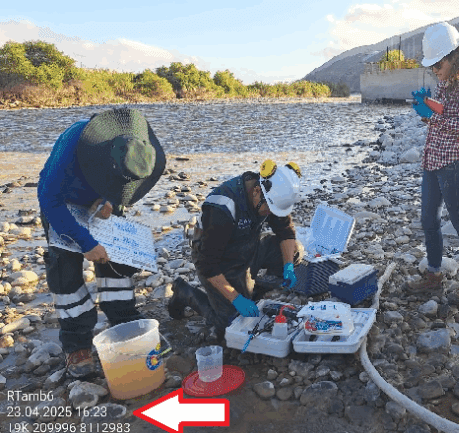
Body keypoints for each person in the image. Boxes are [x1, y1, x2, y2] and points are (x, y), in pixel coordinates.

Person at [38, 108, 166, 378]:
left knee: (116, 264)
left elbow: (123, 191)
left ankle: (123, 319)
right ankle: (77, 345)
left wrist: (110, 201)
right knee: (66, 275)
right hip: (62, 204)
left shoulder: (136, 149)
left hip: (101, 201)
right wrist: (85, 243)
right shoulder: (75, 141)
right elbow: (48, 198)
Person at [168, 160, 304, 341]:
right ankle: (185, 292)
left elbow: (285, 231)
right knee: (228, 324)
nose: (271, 214)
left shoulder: (272, 195)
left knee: (295, 251)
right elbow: (209, 265)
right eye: (269, 209)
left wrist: (288, 266)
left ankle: (253, 292)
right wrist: (236, 299)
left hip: (248, 246)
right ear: (257, 191)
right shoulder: (222, 208)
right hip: (218, 261)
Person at [405, 21, 459, 305]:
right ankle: (434, 275)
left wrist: (432, 115)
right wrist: (425, 110)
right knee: (428, 220)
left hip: (454, 162)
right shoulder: (442, 84)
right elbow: (438, 120)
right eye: (432, 67)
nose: (435, 71)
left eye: (438, 65)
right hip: (433, 161)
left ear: (455, 57)